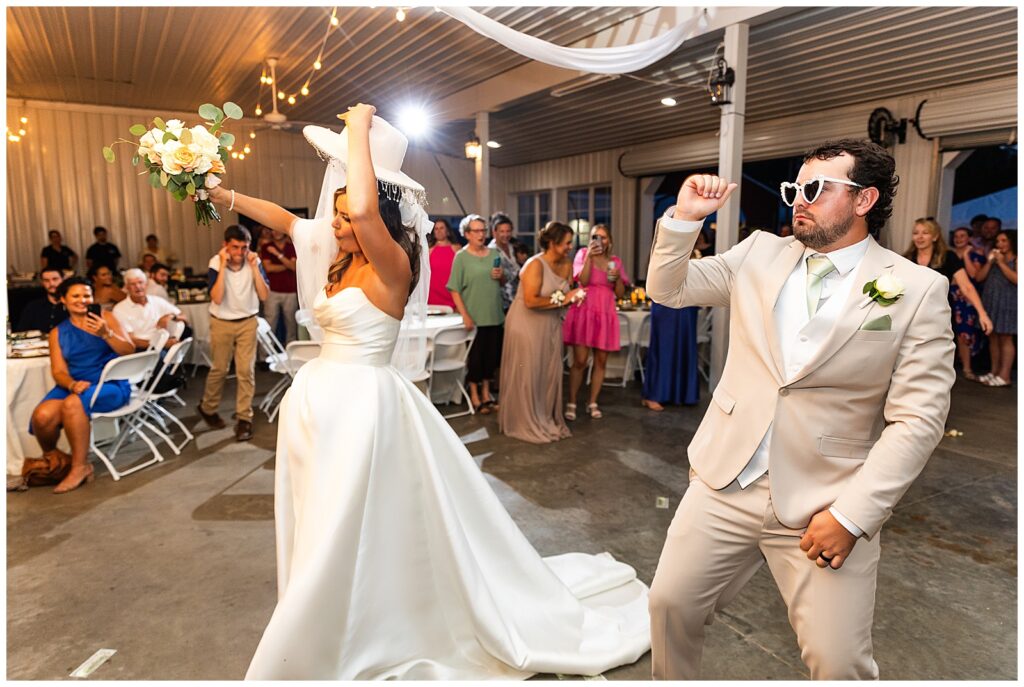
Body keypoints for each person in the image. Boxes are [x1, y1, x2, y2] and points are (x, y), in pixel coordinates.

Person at [213, 105, 647, 680]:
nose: (335, 222)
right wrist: (222, 193)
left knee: (350, 525)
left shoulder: (392, 267)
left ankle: (333, 631)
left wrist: (360, 129)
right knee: (323, 521)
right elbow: (282, 218)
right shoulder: (337, 257)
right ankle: (328, 613)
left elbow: (365, 206)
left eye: (345, 216)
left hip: (363, 412)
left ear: (378, 222)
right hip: (318, 408)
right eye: (336, 215)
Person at [646, 139, 956, 680]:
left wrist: (852, 515)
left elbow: (918, 420)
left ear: (864, 201)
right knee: (668, 607)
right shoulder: (757, 254)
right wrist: (683, 220)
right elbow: (669, 289)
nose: (799, 200)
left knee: (839, 664)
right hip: (725, 482)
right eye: (796, 188)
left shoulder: (916, 288)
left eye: (815, 189)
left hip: (826, 502)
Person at [28, 277, 135, 493]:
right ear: (63, 301)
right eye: (75, 296)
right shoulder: (58, 332)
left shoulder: (106, 318)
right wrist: (71, 384)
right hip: (75, 385)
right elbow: (58, 371)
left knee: (72, 405)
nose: (82, 300)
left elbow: (129, 351)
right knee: (42, 416)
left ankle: (80, 467)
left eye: (86, 295)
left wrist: (107, 334)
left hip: (110, 384)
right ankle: (53, 456)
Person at [498, 221, 581, 443]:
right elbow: (532, 301)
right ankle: (523, 420)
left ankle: (544, 416)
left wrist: (573, 298)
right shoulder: (534, 265)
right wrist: (566, 298)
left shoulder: (567, 264)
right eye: (566, 243)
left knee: (548, 371)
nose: (569, 247)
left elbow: (566, 292)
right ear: (552, 243)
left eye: (571, 243)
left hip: (550, 324)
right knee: (529, 372)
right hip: (526, 324)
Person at [196, 224, 270, 442]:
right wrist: (222, 265)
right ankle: (207, 408)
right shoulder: (215, 262)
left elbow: (264, 296)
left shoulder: (253, 262)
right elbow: (217, 298)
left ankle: (244, 419)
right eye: (235, 248)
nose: (239, 253)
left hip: (248, 321)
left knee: (246, 371)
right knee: (219, 369)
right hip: (221, 322)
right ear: (225, 246)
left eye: (244, 248)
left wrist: (255, 267)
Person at [903, 219, 993, 380]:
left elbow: (967, 287)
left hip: (939, 315)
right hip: (912, 315)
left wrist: (982, 313)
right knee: (910, 360)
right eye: (916, 233)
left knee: (934, 359)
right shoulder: (907, 258)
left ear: (935, 236)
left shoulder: (948, 257)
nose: (920, 237)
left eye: (925, 233)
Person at [563, 223, 629, 420]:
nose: (599, 241)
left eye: (603, 237)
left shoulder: (615, 261)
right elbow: (581, 281)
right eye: (595, 237)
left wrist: (617, 279)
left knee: (601, 361)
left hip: (606, 310)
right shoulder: (583, 254)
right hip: (585, 310)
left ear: (609, 241)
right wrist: (590, 257)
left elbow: (619, 293)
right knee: (580, 361)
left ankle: (592, 402)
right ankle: (572, 401)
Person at [447, 213, 505, 413]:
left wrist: (501, 277)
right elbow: (454, 288)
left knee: (491, 357)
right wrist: (465, 315)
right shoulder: (461, 257)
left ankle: (487, 393)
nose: (481, 234)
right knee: (476, 358)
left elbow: (502, 283)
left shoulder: (494, 254)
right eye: (476, 231)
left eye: (483, 230)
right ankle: (474, 394)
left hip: (494, 313)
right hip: (474, 314)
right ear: (466, 234)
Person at [641, 301, 700, 411]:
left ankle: (683, 393)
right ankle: (653, 394)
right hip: (665, 300)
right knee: (663, 345)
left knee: (686, 343)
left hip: (688, 301)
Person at [976, 230, 1017, 387]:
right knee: (992, 337)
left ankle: (1005, 375)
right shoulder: (993, 259)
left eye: (1004, 240)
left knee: (1006, 338)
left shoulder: (1016, 259)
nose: (1000, 244)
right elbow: (979, 278)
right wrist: (990, 261)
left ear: (1012, 242)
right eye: (998, 241)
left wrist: (1001, 262)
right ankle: (994, 372)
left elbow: (1017, 279)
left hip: (1008, 303)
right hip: (992, 302)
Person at [113, 268, 188, 351]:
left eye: (140, 282)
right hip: (141, 350)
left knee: (181, 344)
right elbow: (130, 341)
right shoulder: (119, 309)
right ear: (127, 287)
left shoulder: (157, 301)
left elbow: (184, 317)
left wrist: (170, 316)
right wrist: (161, 344)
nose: (138, 287)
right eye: (132, 284)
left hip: (161, 345)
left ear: (146, 284)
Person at [260, 229, 299, 344]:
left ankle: (291, 354)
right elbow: (268, 268)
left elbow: (294, 267)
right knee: (269, 324)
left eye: (278, 229)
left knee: (291, 325)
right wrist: (287, 264)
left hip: (290, 291)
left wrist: (278, 255)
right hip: (271, 291)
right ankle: (265, 357)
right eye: (273, 230)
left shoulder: (291, 247)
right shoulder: (267, 247)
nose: (276, 232)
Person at [16, 267, 68, 333]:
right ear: (42, 283)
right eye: (46, 280)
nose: (51, 284)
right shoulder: (33, 307)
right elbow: (21, 332)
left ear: (63, 280)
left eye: (55, 279)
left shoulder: (72, 306)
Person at [488, 211, 519, 312]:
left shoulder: (511, 247)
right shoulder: (491, 251)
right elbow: (496, 280)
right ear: (494, 232)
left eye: (508, 231)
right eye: (502, 231)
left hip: (516, 299)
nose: (506, 234)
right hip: (502, 303)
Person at [427, 218, 458, 309]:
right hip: (433, 296)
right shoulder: (429, 250)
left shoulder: (456, 249)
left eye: (441, 228)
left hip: (452, 295)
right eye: (436, 229)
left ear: (447, 231)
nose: (439, 231)